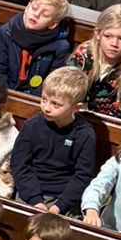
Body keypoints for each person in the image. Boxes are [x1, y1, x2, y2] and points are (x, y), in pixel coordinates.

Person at [11, 66, 98, 214]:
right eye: (44, 99)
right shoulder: (32, 125)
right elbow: (19, 164)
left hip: (62, 198)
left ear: (76, 108)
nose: (46, 108)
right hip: (30, 191)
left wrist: (59, 206)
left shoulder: (85, 134)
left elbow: (82, 175)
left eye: (55, 104)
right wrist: (35, 200)